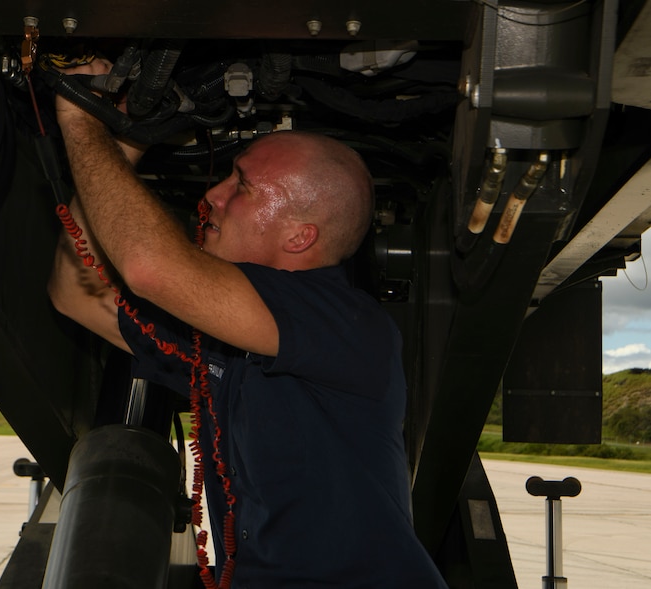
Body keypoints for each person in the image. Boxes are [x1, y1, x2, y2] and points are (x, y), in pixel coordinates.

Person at [48, 58, 447, 588]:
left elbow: (148, 268)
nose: (213, 195)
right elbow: (75, 293)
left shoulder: (344, 323)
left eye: (242, 186)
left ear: (299, 237)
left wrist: (80, 123)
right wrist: (122, 146)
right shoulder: (229, 348)